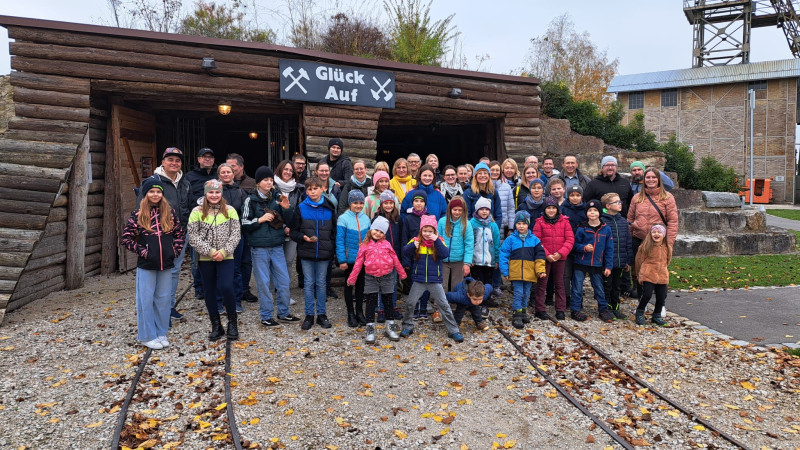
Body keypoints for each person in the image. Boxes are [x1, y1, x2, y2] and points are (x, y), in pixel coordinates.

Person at [121, 176, 185, 350]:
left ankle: (161, 331)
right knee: (146, 300)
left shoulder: (169, 213)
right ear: (146, 194)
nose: (155, 194)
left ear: (162, 194)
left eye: (158, 191)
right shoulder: (138, 215)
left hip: (166, 264)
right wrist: (144, 252)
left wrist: (174, 251)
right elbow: (126, 238)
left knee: (163, 299)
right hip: (147, 264)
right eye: (151, 191)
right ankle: (146, 335)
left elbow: (179, 234)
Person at [241, 166, 298, 327]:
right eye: (265, 180)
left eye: (270, 180)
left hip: (277, 246)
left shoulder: (277, 198)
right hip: (259, 248)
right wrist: (259, 220)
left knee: (284, 281)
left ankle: (284, 312)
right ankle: (266, 315)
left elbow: (290, 220)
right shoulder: (250, 200)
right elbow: (243, 223)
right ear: (258, 183)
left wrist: (287, 208)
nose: (269, 182)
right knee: (264, 283)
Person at [187, 179, 241, 341]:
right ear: (205, 193)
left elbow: (236, 233)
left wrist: (224, 251)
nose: (214, 195)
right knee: (209, 290)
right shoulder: (196, 211)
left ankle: (232, 322)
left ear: (221, 193)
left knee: (226, 287)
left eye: (217, 192)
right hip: (206, 258)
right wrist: (210, 252)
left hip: (226, 256)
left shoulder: (230, 210)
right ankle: (216, 324)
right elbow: (193, 236)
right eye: (211, 192)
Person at [141, 147, 190, 320]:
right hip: (159, 235)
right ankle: (154, 309)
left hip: (180, 234)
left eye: (177, 160)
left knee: (174, 270)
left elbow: (186, 207)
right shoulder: (153, 181)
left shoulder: (185, 182)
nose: (174, 163)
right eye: (170, 159)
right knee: (157, 271)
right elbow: (142, 207)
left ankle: (167, 307)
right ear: (163, 162)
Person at [400, 215, 464, 343]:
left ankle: (453, 330)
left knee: (444, 305)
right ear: (421, 231)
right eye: (425, 231)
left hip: (435, 281)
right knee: (410, 303)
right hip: (419, 280)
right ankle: (407, 326)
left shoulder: (439, 241)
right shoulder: (416, 240)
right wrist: (413, 245)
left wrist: (437, 241)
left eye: (430, 231)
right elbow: (405, 251)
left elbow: (445, 254)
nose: (427, 234)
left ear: (434, 231)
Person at [347, 216, 408, 344]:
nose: (378, 233)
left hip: (387, 276)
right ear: (371, 229)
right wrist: (352, 278)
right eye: (376, 230)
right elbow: (358, 263)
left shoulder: (387, 244)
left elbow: (395, 259)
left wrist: (402, 273)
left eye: (381, 232)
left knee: (388, 301)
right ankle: (370, 328)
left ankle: (390, 326)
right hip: (371, 277)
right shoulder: (364, 245)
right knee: (370, 302)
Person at [289, 177, 336, 330]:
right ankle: (309, 315)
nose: (312, 191)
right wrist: (303, 237)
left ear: (322, 189)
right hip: (306, 252)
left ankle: (322, 314)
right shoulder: (301, 208)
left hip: (324, 252)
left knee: (321, 284)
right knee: (309, 284)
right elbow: (293, 232)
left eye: (315, 188)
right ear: (306, 191)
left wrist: (332, 249)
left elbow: (334, 232)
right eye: (309, 189)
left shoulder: (329, 208)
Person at [627, 167, 679, 297]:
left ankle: (659, 302)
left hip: (657, 240)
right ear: (644, 180)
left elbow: (673, 221)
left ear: (659, 180)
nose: (651, 180)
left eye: (653, 177)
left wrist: (669, 242)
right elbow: (630, 219)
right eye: (648, 177)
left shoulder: (667, 197)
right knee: (639, 269)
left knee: (658, 270)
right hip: (639, 238)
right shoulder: (636, 198)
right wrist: (630, 235)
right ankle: (641, 300)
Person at [499, 211, 546, 329]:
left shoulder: (534, 240)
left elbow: (540, 256)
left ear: (528, 225)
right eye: (518, 223)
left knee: (526, 293)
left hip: (529, 272)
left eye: (524, 223)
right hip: (516, 272)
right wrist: (505, 271)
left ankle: (523, 310)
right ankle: (517, 313)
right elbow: (503, 254)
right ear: (515, 224)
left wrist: (540, 271)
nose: (521, 226)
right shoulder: (511, 239)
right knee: (518, 293)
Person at [569, 200, 614, 323]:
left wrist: (608, 266)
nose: (592, 213)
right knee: (577, 287)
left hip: (597, 263)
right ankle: (575, 309)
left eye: (595, 210)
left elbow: (609, 249)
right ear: (586, 213)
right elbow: (574, 245)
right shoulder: (582, 228)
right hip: (581, 262)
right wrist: (583, 248)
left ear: (599, 212)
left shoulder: (606, 229)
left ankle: (603, 309)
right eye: (590, 210)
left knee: (599, 287)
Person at [533, 197, 574, 322]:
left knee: (560, 283)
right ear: (544, 210)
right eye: (548, 208)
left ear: (557, 209)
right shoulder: (539, 222)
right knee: (542, 282)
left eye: (553, 208)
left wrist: (560, 253)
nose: (551, 210)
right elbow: (537, 240)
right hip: (545, 257)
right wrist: (546, 254)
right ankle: (540, 308)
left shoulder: (565, 222)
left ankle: (560, 309)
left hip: (560, 257)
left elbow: (570, 239)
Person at [185, 147, 217, 300]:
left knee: (216, 255)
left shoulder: (219, 175)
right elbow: (185, 198)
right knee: (196, 258)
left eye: (210, 157)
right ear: (198, 159)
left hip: (218, 223)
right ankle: (199, 287)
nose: (207, 159)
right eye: (204, 157)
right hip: (198, 223)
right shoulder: (189, 177)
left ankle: (214, 286)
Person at [337, 190, 372, 327]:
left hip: (362, 259)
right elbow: (339, 240)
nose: (358, 206)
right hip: (349, 258)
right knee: (349, 285)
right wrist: (342, 260)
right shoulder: (343, 218)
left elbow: (369, 239)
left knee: (360, 286)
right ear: (350, 203)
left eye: (361, 203)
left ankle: (359, 312)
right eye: (355, 203)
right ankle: (350, 313)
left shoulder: (366, 218)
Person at [217, 163, 248, 313]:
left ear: (233, 174)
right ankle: (218, 301)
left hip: (236, 235)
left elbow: (246, 213)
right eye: (223, 172)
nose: (226, 174)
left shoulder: (241, 192)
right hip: (217, 236)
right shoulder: (215, 192)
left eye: (228, 172)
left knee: (235, 268)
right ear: (219, 175)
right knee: (217, 268)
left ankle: (236, 301)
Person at [226, 153, 256, 303]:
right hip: (227, 230)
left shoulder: (251, 183)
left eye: (233, 166)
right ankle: (230, 291)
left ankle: (244, 289)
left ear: (241, 167)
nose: (230, 169)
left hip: (246, 228)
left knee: (246, 261)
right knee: (231, 262)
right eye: (227, 166)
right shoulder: (219, 186)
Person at [274, 159, 306, 300]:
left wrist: (291, 228)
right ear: (280, 170)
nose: (288, 172)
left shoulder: (298, 189)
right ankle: (273, 289)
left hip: (291, 231)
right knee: (275, 261)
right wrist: (283, 226)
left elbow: (298, 211)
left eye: (290, 170)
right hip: (275, 230)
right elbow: (272, 210)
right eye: (285, 169)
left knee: (288, 261)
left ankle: (284, 292)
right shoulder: (273, 188)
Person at [600, 192, 633, 320]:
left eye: (620, 202)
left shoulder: (623, 221)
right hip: (608, 261)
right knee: (607, 285)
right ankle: (606, 308)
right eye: (616, 202)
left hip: (620, 260)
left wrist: (627, 260)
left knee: (617, 286)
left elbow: (627, 241)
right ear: (608, 206)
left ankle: (616, 307)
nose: (620, 204)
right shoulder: (602, 221)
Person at [634, 224, 672, 327]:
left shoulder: (667, 247)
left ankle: (656, 315)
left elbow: (668, 260)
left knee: (661, 297)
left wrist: (663, 269)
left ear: (663, 235)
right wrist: (639, 273)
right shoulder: (645, 247)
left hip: (662, 275)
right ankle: (640, 311)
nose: (656, 234)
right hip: (648, 273)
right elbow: (639, 261)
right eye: (654, 232)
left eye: (659, 232)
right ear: (650, 234)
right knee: (647, 294)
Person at [375, 190, 403, 322]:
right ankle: (381, 309)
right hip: (381, 257)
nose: (388, 206)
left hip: (395, 256)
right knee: (382, 284)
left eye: (390, 203)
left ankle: (392, 307)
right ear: (381, 204)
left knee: (393, 283)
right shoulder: (377, 218)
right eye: (385, 203)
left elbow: (402, 238)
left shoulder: (398, 218)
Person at [469, 196, 501, 299]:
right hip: (475, 260)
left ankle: (486, 299)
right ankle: (475, 300)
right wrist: (469, 259)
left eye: (487, 209)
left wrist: (496, 259)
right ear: (477, 210)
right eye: (481, 209)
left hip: (488, 260)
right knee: (476, 282)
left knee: (488, 281)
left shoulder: (493, 226)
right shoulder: (471, 224)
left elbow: (496, 244)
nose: (484, 212)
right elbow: (469, 243)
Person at [560, 185, 587, 301]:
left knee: (578, 276)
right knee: (566, 274)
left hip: (581, 246)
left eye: (577, 195)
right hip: (566, 245)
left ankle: (577, 298)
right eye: (572, 195)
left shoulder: (586, 209)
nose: (575, 198)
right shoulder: (563, 208)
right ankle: (565, 297)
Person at [490, 160, 515, 236]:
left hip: (503, 226)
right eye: (492, 170)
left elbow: (511, 208)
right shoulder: (483, 187)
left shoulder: (507, 187)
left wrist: (511, 228)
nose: (495, 172)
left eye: (497, 170)